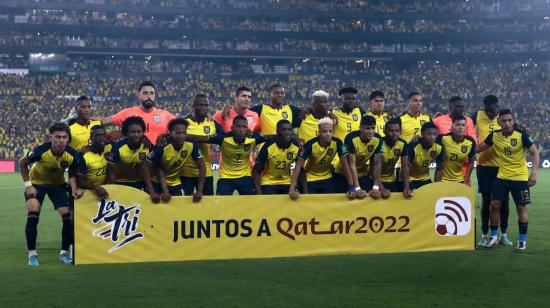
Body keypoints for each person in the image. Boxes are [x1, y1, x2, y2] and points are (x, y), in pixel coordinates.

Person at [19, 123, 81, 266]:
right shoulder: (41, 151)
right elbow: (22, 163)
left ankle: (64, 253)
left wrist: (74, 189)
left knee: (68, 218)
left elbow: (73, 174)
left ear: (68, 138)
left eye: (64, 137)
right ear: (51, 138)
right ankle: (32, 255)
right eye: (57, 137)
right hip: (36, 184)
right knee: (33, 214)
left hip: (58, 186)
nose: (61, 140)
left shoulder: (72, 155)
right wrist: (28, 186)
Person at [476, 109, 539, 250]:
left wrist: (533, 173)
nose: (507, 123)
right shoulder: (495, 136)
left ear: (513, 120)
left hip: (520, 178)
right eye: (503, 120)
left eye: (509, 120)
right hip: (502, 177)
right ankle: (493, 237)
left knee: (520, 207)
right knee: (495, 204)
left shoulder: (522, 135)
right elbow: (479, 148)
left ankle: (522, 241)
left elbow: (535, 153)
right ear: (498, 122)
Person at [192, 115, 266, 195]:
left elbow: (271, 138)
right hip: (225, 178)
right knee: (220, 204)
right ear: (232, 128)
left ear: (247, 129)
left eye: (244, 127)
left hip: (245, 177)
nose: (241, 130)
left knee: (251, 204)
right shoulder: (223, 138)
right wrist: (181, 137)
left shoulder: (254, 138)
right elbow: (198, 138)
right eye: (238, 127)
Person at [472, 95, 511, 247]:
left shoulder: (503, 118)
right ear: (484, 107)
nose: (489, 113)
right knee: (486, 202)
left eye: (492, 110)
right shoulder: (478, 115)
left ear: (497, 105)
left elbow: (514, 131)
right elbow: (465, 124)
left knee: (504, 203)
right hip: (484, 166)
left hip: (503, 166)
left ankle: (504, 235)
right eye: (487, 110)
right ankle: (484, 235)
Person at [143, 118, 206, 203]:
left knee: (180, 209)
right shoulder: (162, 146)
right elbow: (146, 166)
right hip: (156, 183)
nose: (182, 136)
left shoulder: (191, 145)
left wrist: (199, 191)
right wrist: (152, 192)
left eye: (184, 133)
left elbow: (202, 165)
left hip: (175, 182)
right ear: (170, 133)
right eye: (178, 133)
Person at [289, 117, 350, 199]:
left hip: (327, 178)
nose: (328, 134)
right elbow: (298, 166)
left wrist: (351, 185)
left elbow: (345, 164)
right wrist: (292, 188)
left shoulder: (338, 143)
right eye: (325, 131)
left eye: (330, 131)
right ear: (319, 132)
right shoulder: (310, 144)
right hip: (311, 178)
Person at [101, 81, 175, 144]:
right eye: (145, 93)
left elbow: (183, 125)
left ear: (155, 95)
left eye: (152, 93)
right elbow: (105, 121)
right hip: (135, 158)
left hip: (158, 158)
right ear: (139, 95)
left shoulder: (165, 115)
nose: (149, 96)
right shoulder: (128, 113)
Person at [333, 115, 382, 199]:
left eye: (373, 128)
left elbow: (377, 163)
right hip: (343, 174)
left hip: (362, 174)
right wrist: (357, 188)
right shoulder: (350, 138)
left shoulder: (378, 139)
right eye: (367, 128)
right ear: (360, 128)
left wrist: (376, 187)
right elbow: (351, 164)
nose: (371, 131)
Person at [181, 94, 220, 196]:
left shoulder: (211, 124)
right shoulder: (184, 122)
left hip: (207, 172)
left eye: (206, 105)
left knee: (208, 205)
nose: (204, 107)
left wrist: (192, 137)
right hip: (186, 172)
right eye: (201, 105)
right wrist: (204, 138)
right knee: (184, 205)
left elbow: (222, 137)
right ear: (193, 106)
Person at [252, 120, 302, 195]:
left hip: (287, 182)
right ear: (277, 131)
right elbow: (256, 172)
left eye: (289, 130)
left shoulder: (296, 146)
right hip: (269, 183)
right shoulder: (268, 147)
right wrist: (259, 194)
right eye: (284, 130)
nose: (287, 133)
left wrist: (299, 188)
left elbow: (300, 169)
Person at [106, 116, 151, 190]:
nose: (136, 135)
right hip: (121, 183)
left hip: (140, 182)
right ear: (126, 133)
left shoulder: (148, 146)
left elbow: (150, 169)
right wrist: (112, 190)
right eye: (133, 132)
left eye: (139, 131)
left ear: (143, 132)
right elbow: (112, 173)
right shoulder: (117, 148)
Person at [435, 116, 476, 184]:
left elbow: (471, 162)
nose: (460, 127)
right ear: (451, 127)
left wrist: (466, 180)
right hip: (442, 180)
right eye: (457, 125)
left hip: (460, 180)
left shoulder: (470, 142)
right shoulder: (442, 138)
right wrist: (418, 138)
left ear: (465, 127)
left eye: (463, 125)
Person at [379, 120, 412, 198]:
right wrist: (381, 188)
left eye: (397, 131)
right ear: (384, 132)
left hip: (391, 180)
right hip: (376, 181)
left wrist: (406, 187)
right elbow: (374, 168)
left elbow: (405, 167)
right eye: (391, 131)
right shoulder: (379, 143)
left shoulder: (402, 144)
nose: (394, 133)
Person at [76, 125, 111, 199]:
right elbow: (80, 181)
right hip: (90, 192)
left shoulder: (110, 147)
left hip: (107, 190)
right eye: (98, 136)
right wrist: (95, 187)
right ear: (91, 138)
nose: (102, 138)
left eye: (103, 135)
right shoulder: (83, 155)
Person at [407, 122, 444, 190]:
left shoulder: (439, 147)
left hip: (425, 178)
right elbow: (406, 168)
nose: (432, 137)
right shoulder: (413, 146)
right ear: (422, 134)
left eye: (434, 134)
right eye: (429, 134)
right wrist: (406, 187)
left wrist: (437, 185)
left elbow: (439, 168)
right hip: (410, 179)